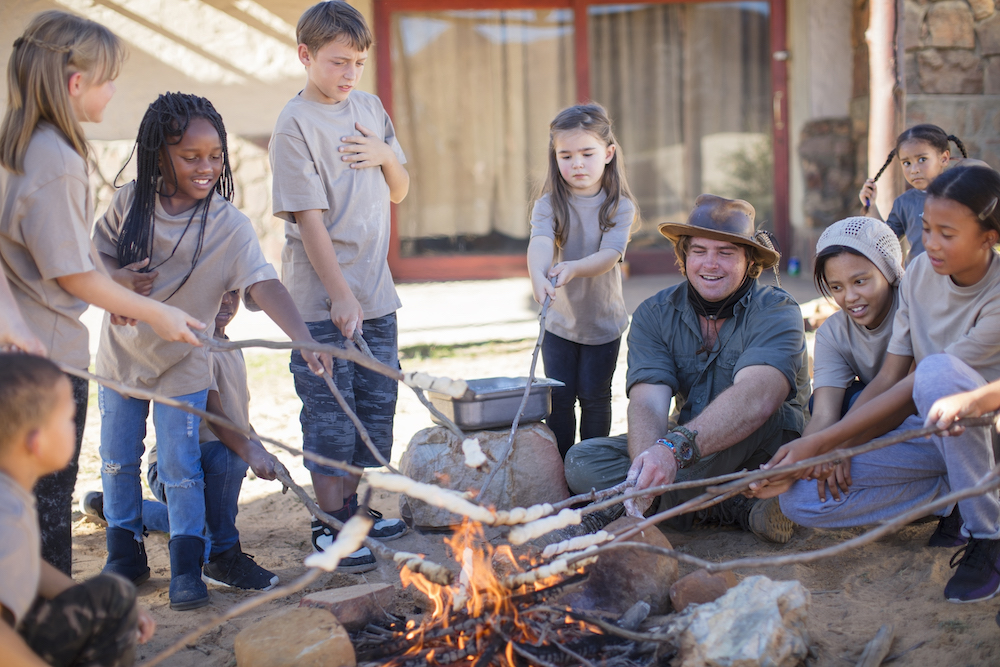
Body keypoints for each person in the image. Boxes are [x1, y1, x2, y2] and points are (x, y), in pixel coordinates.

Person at [93, 92, 327, 611]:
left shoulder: (227, 224)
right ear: (159, 155)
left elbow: (263, 283)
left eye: (215, 156)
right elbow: (99, 251)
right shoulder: (129, 203)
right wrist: (115, 278)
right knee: (117, 461)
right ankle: (124, 556)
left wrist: (303, 336)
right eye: (190, 156)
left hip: (184, 365)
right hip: (121, 360)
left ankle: (186, 569)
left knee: (182, 468)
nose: (206, 167)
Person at [0, 11, 203, 576]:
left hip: (17, 358)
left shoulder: (19, 142)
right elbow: (70, 277)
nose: (115, 90)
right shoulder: (56, 159)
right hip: (42, 367)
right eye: (109, 78)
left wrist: (114, 289)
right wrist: (152, 311)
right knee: (44, 524)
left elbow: (45, 252)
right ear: (75, 84)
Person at [757, 166, 1000, 603]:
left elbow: (914, 386)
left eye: (948, 232)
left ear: (989, 237)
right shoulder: (922, 275)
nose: (931, 242)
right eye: (926, 229)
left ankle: (988, 533)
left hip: (983, 431)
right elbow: (889, 376)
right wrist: (819, 453)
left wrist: (827, 445)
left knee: (935, 373)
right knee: (800, 499)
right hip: (931, 430)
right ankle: (953, 498)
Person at [561, 194, 810, 543]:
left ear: (749, 261)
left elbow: (758, 400)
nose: (711, 264)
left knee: (758, 419)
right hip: (692, 444)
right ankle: (732, 506)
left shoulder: (778, 310)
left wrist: (672, 452)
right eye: (699, 251)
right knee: (582, 461)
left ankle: (661, 506)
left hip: (763, 443)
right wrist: (645, 469)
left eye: (726, 253)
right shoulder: (654, 313)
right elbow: (648, 403)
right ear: (683, 256)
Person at [269, 0, 410, 572]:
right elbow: (309, 222)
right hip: (323, 301)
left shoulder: (371, 108)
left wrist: (383, 155)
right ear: (305, 56)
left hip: (377, 295)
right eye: (337, 62)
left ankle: (365, 510)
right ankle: (330, 523)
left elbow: (399, 189)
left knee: (376, 408)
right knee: (331, 413)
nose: (350, 74)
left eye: (357, 62)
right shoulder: (293, 125)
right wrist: (340, 295)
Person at [82, 291, 282, 591]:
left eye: (233, 295)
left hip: (213, 469)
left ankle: (104, 505)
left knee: (196, 523)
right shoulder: (197, 349)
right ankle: (220, 556)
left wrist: (262, 452)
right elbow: (215, 415)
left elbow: (239, 419)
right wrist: (250, 452)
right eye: (220, 293)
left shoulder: (233, 349)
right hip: (174, 469)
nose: (226, 301)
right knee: (202, 509)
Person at [0, 354, 156, 667]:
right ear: (37, 442)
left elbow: (23, 562)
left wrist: (90, 602)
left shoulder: (11, 493)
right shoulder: (8, 514)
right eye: (68, 418)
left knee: (112, 596)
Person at [527, 104, 638, 458]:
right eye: (566, 155)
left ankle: (588, 468)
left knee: (594, 398)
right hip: (559, 322)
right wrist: (536, 275)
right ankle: (560, 473)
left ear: (608, 154)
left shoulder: (620, 206)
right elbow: (541, 242)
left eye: (587, 153)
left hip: (603, 324)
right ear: (555, 157)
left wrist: (573, 268)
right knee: (559, 399)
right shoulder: (548, 204)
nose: (577, 163)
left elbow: (610, 255)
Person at [807, 217, 904, 502]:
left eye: (860, 281)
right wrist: (805, 458)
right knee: (830, 405)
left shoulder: (914, 305)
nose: (850, 297)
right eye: (836, 287)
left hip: (920, 412)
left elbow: (904, 388)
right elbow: (824, 413)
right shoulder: (833, 333)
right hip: (874, 414)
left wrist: (844, 443)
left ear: (887, 271)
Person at [859, 124, 966, 261]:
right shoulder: (904, 203)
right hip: (918, 279)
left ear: (944, 158)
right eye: (906, 163)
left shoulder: (961, 195)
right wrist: (871, 206)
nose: (914, 170)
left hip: (956, 278)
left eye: (922, 159)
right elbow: (884, 241)